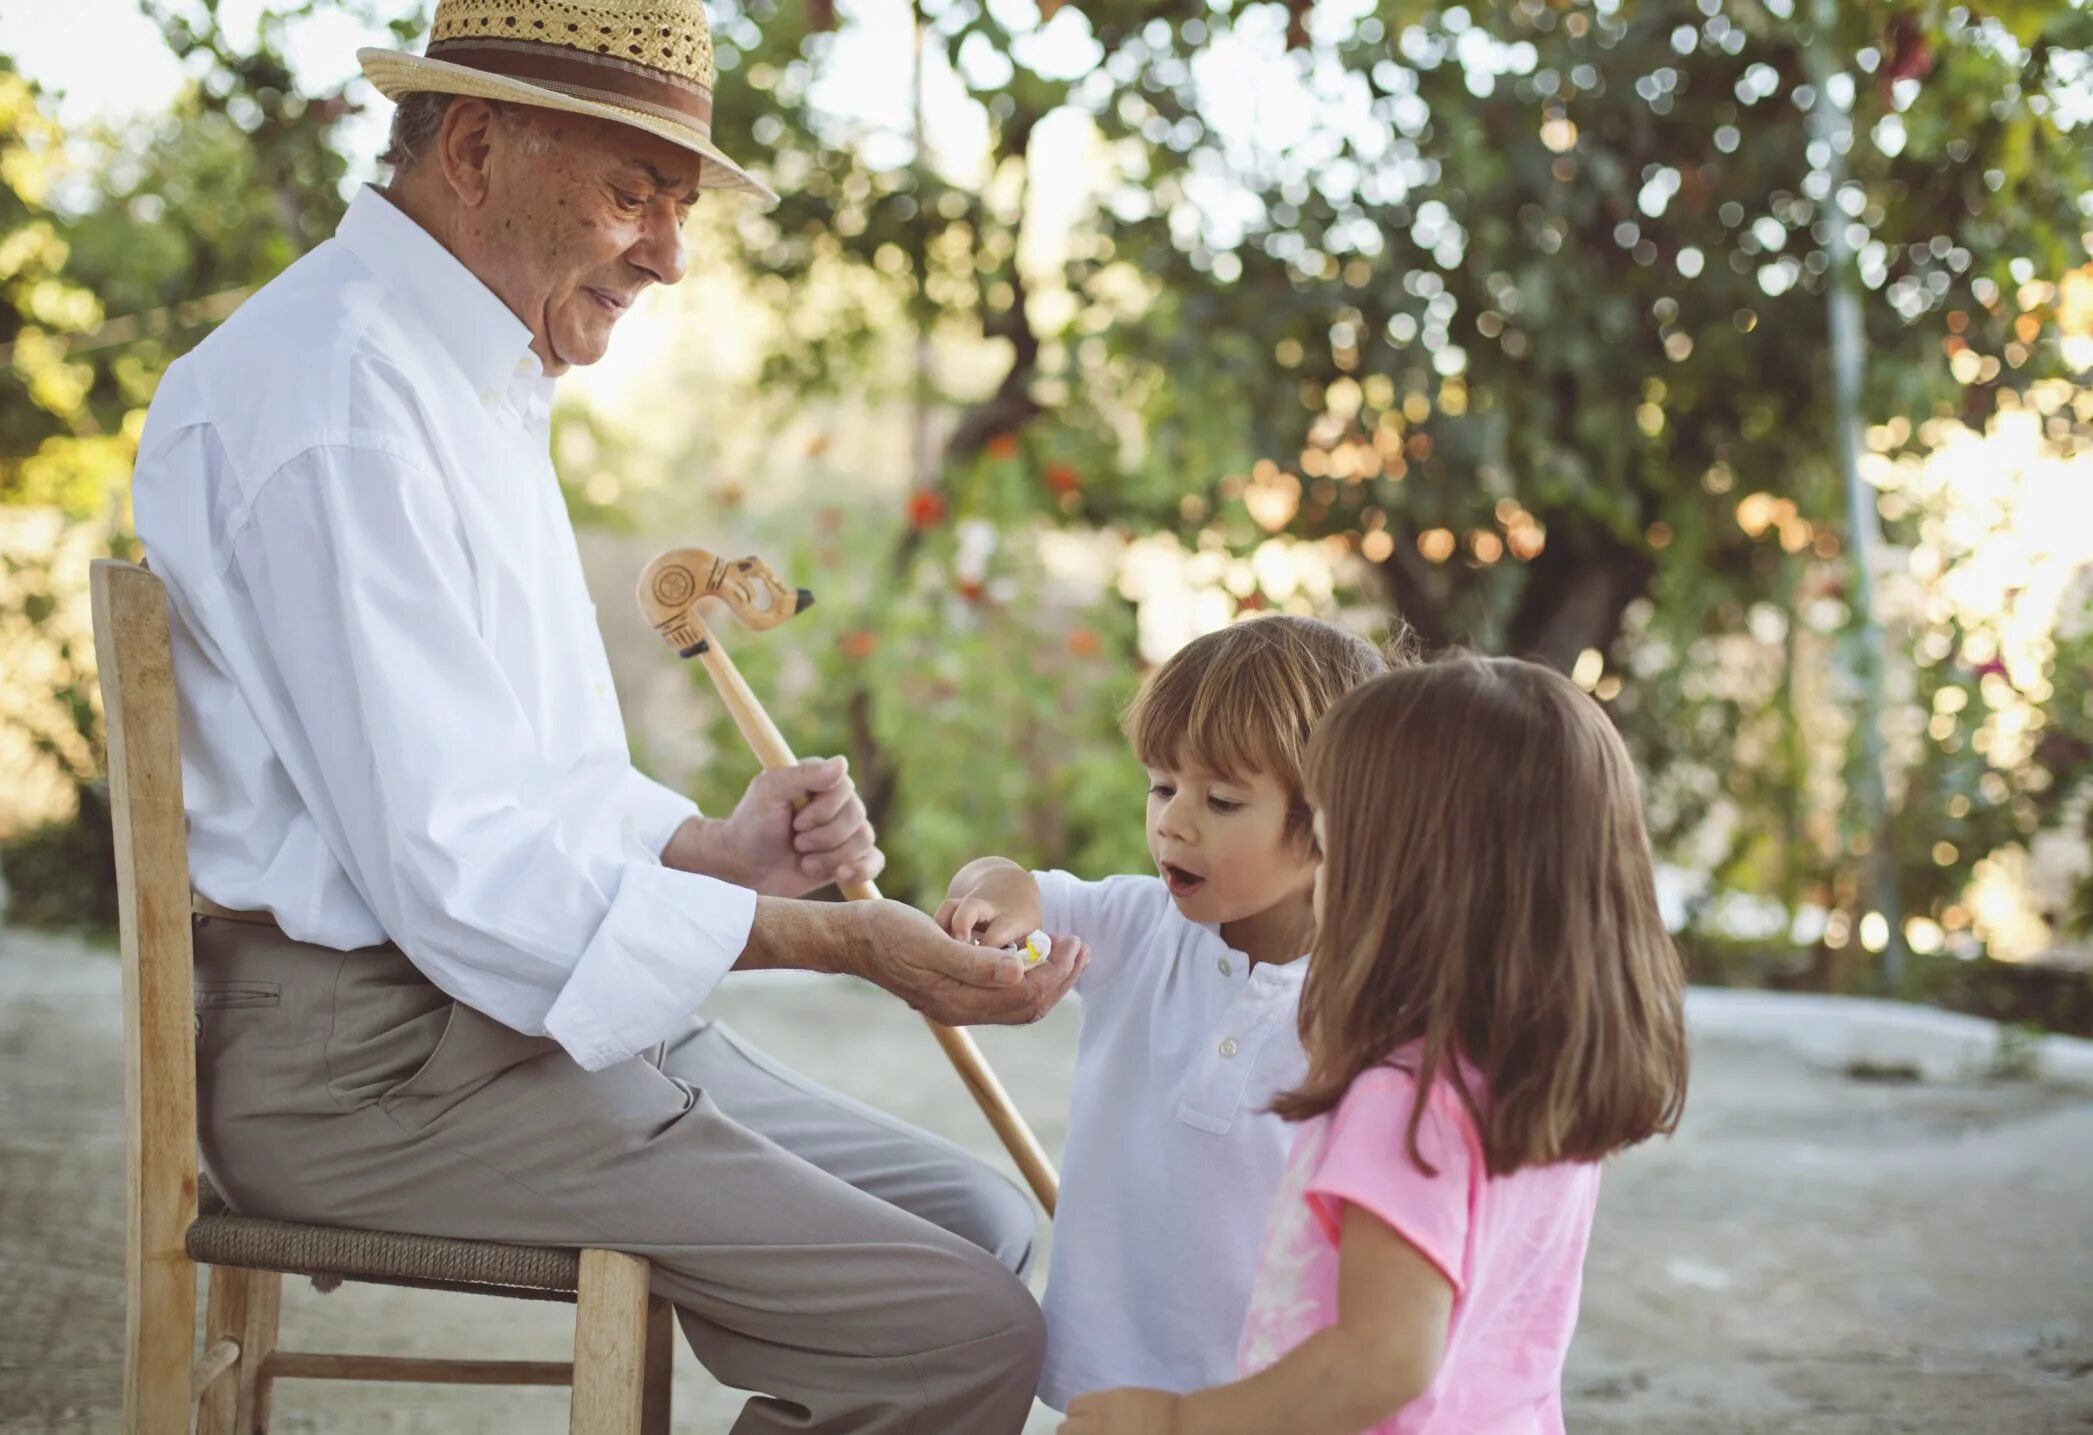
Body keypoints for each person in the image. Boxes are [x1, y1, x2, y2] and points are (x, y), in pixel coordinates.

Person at [129, 2, 1085, 1429]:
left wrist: (717, 847)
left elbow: (528, 794)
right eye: (633, 192)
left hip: (490, 1021)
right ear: (471, 145)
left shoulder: (468, 377)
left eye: (680, 204)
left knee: (981, 1223)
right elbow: (459, 876)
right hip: (374, 1069)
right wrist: (844, 945)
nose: (671, 254)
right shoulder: (340, 401)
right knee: (958, 1327)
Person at [1061, 657, 1690, 1435]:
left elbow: (1384, 1358)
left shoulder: (1406, 1098)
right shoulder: (1533, 1072)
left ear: (1409, 873)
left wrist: (1180, 1420)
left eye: (1326, 838)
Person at [937, 616, 1401, 1410]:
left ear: (1334, 823)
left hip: (1266, 1397)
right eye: (1160, 784)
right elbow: (1014, 879)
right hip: (1108, 1374)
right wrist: (993, 894)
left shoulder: (1377, 1001)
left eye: (1220, 798)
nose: (1172, 822)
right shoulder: (1136, 922)